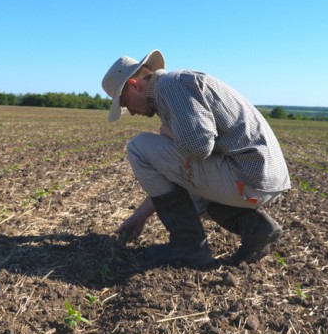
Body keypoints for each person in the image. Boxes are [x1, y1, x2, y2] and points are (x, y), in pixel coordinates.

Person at [101, 49, 291, 266]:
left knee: (138, 147)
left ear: (135, 84)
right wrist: (140, 216)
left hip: (246, 178)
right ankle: (256, 227)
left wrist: (169, 134)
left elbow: (198, 147)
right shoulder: (176, 84)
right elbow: (179, 177)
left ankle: (188, 247)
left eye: (125, 103)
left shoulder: (170, 86)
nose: (131, 112)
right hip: (260, 180)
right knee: (187, 194)